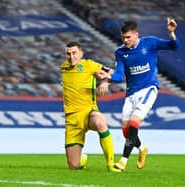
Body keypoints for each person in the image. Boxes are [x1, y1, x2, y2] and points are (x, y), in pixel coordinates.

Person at [95, 18, 180, 171]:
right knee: (126, 131)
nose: (125, 40)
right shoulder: (120, 52)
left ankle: (123, 161)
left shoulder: (150, 43)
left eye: (128, 37)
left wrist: (171, 33)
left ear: (136, 35)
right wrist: (108, 77)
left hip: (149, 88)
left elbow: (174, 46)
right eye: (123, 37)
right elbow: (120, 75)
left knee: (134, 123)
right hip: (131, 93)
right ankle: (142, 149)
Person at [60, 41, 121, 172]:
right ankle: (81, 159)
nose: (71, 56)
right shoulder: (63, 67)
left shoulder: (89, 65)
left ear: (81, 53)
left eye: (74, 53)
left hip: (88, 112)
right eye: (68, 54)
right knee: (73, 166)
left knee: (100, 122)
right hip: (71, 120)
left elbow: (113, 73)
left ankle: (110, 165)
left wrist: (106, 81)